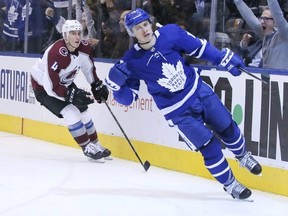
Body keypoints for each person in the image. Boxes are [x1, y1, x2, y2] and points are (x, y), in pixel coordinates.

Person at [104, 8, 262, 200]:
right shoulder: (131, 61)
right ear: (132, 33)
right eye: (138, 28)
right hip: (178, 112)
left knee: (227, 127)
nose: (144, 30)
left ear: (150, 23)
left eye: (145, 24)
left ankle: (243, 155)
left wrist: (222, 59)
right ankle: (230, 184)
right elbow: (129, 98)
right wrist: (116, 88)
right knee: (209, 148)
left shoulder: (170, 33)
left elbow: (199, 47)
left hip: (198, 91)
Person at [30, 20, 112, 163]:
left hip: (63, 83)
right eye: (73, 33)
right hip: (43, 88)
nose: (77, 37)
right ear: (65, 36)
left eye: (79, 33)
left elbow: (88, 69)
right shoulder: (56, 52)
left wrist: (96, 85)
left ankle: (94, 144)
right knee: (71, 112)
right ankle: (87, 148)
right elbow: (50, 86)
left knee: (83, 110)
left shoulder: (84, 48)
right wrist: (69, 95)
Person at [233, 0, 288, 70]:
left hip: (283, 79)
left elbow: (278, 15)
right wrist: (238, 1)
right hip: (267, 79)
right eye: (261, 18)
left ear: (275, 22)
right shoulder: (265, 34)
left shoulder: (284, 34)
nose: (262, 22)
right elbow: (249, 17)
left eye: (266, 19)